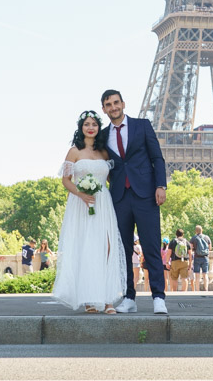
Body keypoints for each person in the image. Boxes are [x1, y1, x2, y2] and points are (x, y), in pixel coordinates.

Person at [51, 109, 126, 314]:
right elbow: (66, 180)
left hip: (103, 203)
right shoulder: (74, 151)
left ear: (98, 127)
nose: (91, 128)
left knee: (107, 248)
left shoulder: (104, 152)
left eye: (94, 124)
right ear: (81, 128)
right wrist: (81, 195)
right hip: (81, 204)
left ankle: (109, 300)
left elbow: (112, 179)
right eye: (87, 124)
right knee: (87, 248)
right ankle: (89, 299)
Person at [101, 89, 168, 314]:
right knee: (124, 250)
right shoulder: (102, 135)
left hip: (146, 194)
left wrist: (160, 186)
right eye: (108, 104)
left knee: (151, 245)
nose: (113, 107)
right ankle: (129, 296)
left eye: (116, 103)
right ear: (104, 109)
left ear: (123, 104)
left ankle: (158, 297)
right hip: (119, 197)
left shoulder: (142, 125)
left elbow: (156, 157)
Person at [191, 224, 212, 292]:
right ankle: (206, 289)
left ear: (195, 231)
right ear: (201, 230)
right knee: (205, 274)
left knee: (197, 275)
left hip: (197, 257)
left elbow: (190, 248)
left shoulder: (194, 238)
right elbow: (210, 248)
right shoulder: (207, 237)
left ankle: (197, 290)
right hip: (205, 257)